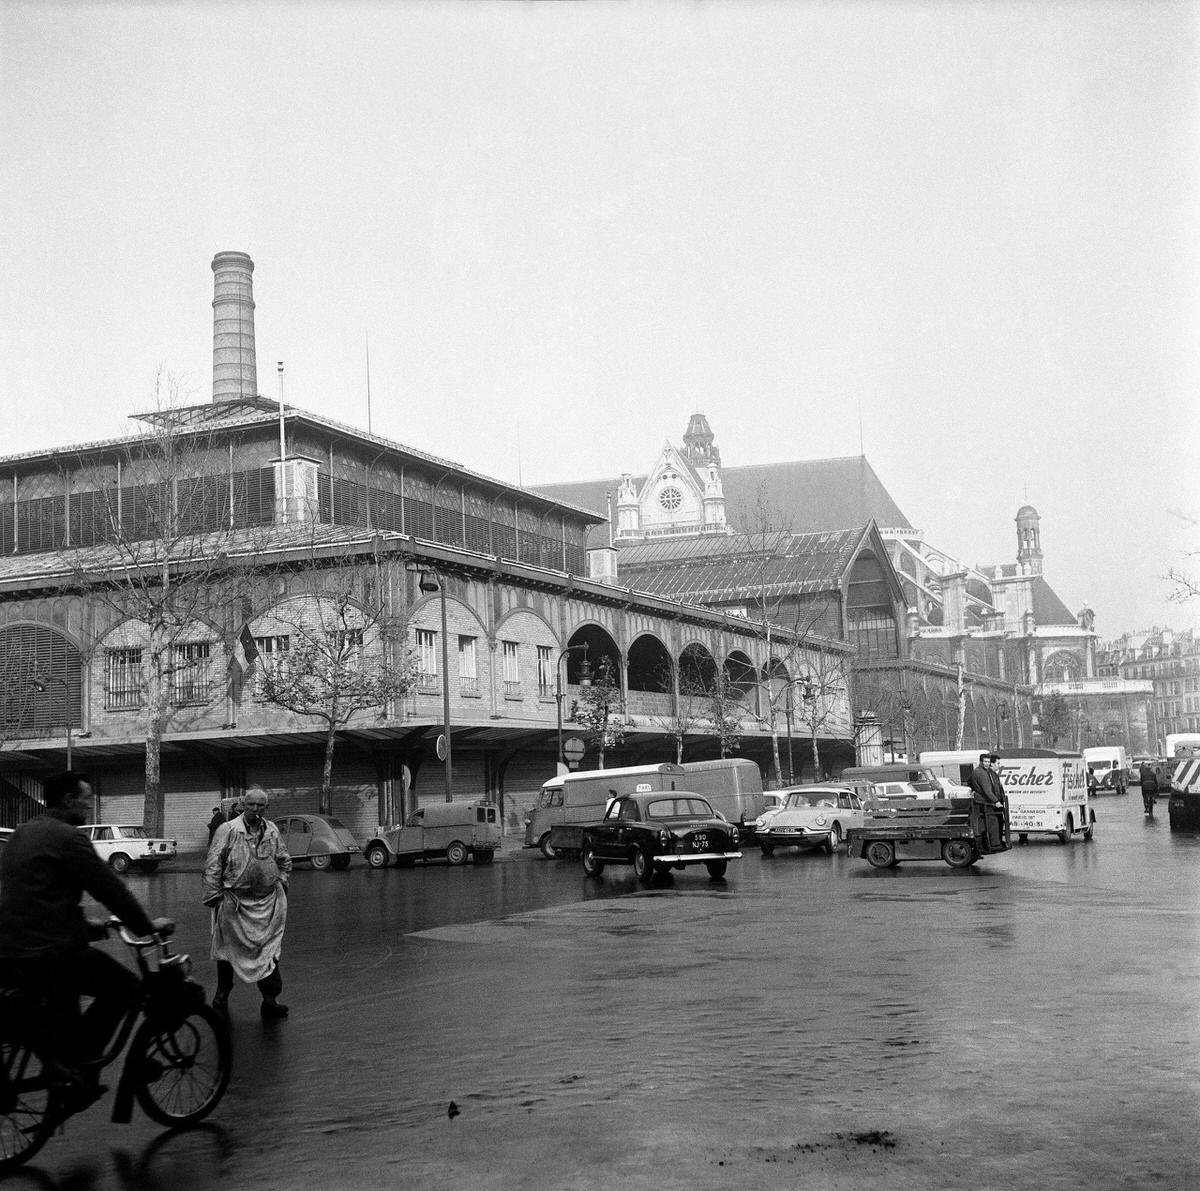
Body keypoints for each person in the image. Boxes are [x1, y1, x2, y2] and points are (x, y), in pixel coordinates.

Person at [0, 771, 172, 1105]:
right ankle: (79, 1064)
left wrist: (91, 928)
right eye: (86, 798)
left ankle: (66, 1068)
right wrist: (148, 927)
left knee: (63, 1005)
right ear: (68, 800)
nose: (90, 806)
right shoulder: (68, 838)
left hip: (9, 950)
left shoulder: (22, 833)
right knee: (126, 988)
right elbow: (111, 890)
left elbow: (38, 896)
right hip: (47, 952)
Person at [202, 790, 291, 1020]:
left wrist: (281, 881)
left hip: (267, 904)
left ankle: (270, 1000)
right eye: (250, 804)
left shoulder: (271, 830)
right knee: (226, 950)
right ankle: (222, 993)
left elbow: (283, 859)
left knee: (269, 950)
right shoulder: (228, 829)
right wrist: (215, 897)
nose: (255, 809)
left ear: (266, 807)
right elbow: (213, 864)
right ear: (243, 805)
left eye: (260, 805)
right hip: (234, 901)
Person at [968, 752, 1006, 849]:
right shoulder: (981, 773)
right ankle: (994, 844)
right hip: (983, 802)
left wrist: (974, 788)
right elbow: (987, 790)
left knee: (989, 822)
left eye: (988, 762)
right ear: (980, 762)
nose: (987, 764)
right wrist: (996, 801)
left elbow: (969, 781)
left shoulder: (982, 771)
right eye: (985, 761)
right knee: (993, 821)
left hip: (983, 801)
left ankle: (993, 843)